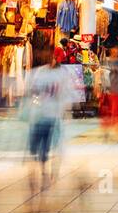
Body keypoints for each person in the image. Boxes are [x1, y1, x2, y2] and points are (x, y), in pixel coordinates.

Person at [21, 49, 78, 195]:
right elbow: (30, 91)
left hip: (50, 117)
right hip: (41, 116)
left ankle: (46, 172)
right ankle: (43, 173)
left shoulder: (54, 74)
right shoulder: (40, 73)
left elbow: (66, 95)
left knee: (46, 148)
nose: (55, 60)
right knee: (39, 149)